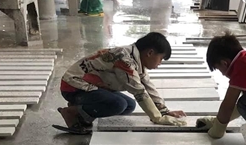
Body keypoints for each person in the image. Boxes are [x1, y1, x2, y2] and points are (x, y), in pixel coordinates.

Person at [57, 32, 187, 133]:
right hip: (73, 87)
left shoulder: (137, 61)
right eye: (161, 58)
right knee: (118, 104)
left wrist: (164, 111)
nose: (160, 63)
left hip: (90, 88)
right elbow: (139, 91)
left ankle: (81, 110)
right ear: (150, 53)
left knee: (129, 105)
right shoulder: (124, 60)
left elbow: (148, 86)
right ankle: (72, 112)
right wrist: (158, 118)